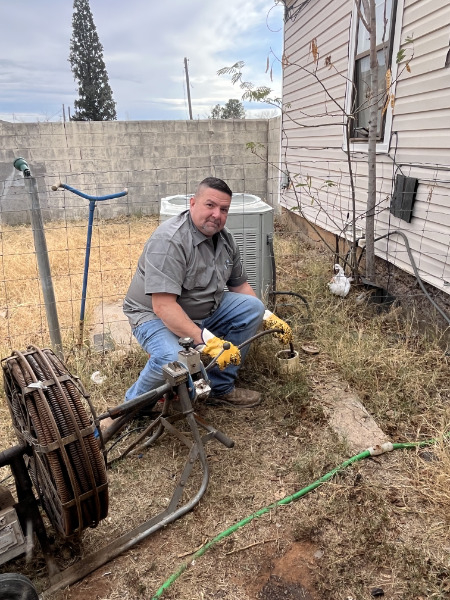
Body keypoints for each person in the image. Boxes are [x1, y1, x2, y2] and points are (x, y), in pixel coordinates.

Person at [123, 176, 292, 408]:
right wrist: (208, 342)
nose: (216, 215)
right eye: (210, 205)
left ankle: (219, 388)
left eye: (224, 209)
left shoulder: (225, 239)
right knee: (171, 358)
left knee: (253, 308)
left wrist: (268, 317)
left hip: (202, 308)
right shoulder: (170, 241)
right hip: (153, 315)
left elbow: (240, 286)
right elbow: (163, 306)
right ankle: (131, 409)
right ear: (193, 203)